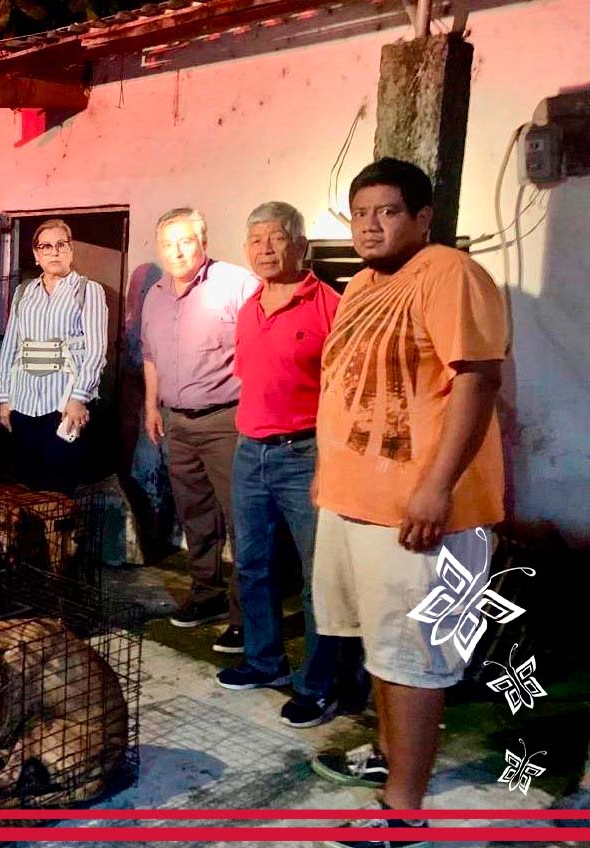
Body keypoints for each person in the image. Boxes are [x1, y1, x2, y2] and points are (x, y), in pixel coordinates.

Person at [310, 159, 507, 848]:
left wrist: (436, 486)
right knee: (381, 650)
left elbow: (477, 382)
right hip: (352, 503)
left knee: (414, 658)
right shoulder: (361, 284)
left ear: (422, 218)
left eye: (387, 211)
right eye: (360, 211)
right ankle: (394, 765)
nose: (370, 223)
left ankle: (402, 810)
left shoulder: (449, 273)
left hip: (418, 510)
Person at [214, 201, 346, 729]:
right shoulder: (249, 306)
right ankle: (266, 662)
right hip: (250, 450)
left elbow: (343, 390)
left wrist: (327, 460)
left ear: (300, 244)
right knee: (251, 564)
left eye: (275, 238)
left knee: (320, 578)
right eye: (255, 240)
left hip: (306, 453)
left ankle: (319, 685)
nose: (265, 249)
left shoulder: (330, 305)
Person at [141, 207, 258, 652]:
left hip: (227, 420)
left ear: (203, 242)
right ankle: (206, 595)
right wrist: (153, 407)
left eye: (186, 241)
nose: (177, 251)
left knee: (241, 519)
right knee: (196, 516)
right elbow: (150, 356)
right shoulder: (155, 295)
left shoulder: (236, 284)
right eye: (168, 243)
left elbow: (260, 348)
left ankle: (246, 617)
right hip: (177, 423)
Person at [0, 219, 108, 494]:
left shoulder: (87, 290)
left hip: (63, 405)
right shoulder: (23, 292)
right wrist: (5, 400)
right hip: (23, 404)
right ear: (36, 255)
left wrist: (79, 398)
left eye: (61, 245)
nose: (54, 252)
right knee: (25, 485)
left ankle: (58, 538)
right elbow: (11, 347)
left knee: (58, 489)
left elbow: (96, 350)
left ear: (71, 251)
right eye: (46, 247)